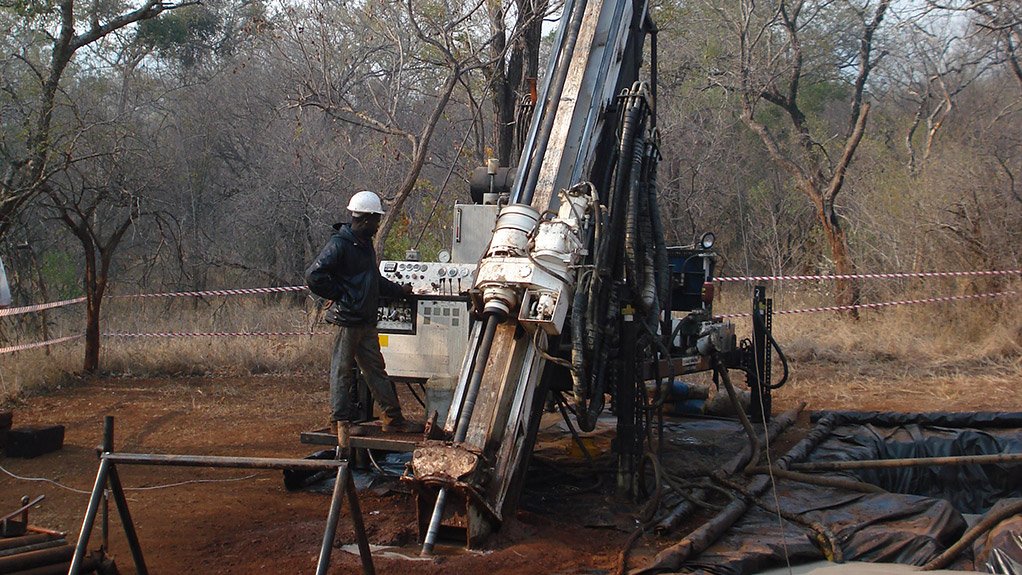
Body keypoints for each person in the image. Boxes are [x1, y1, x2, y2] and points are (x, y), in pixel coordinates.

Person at [306, 190, 423, 445]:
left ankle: (393, 419)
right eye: (377, 219)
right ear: (366, 218)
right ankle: (339, 422)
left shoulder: (364, 244)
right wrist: (341, 294)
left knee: (376, 370)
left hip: (365, 320)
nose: (378, 224)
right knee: (342, 371)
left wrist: (399, 290)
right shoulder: (340, 244)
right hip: (347, 320)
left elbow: (373, 280)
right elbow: (314, 275)